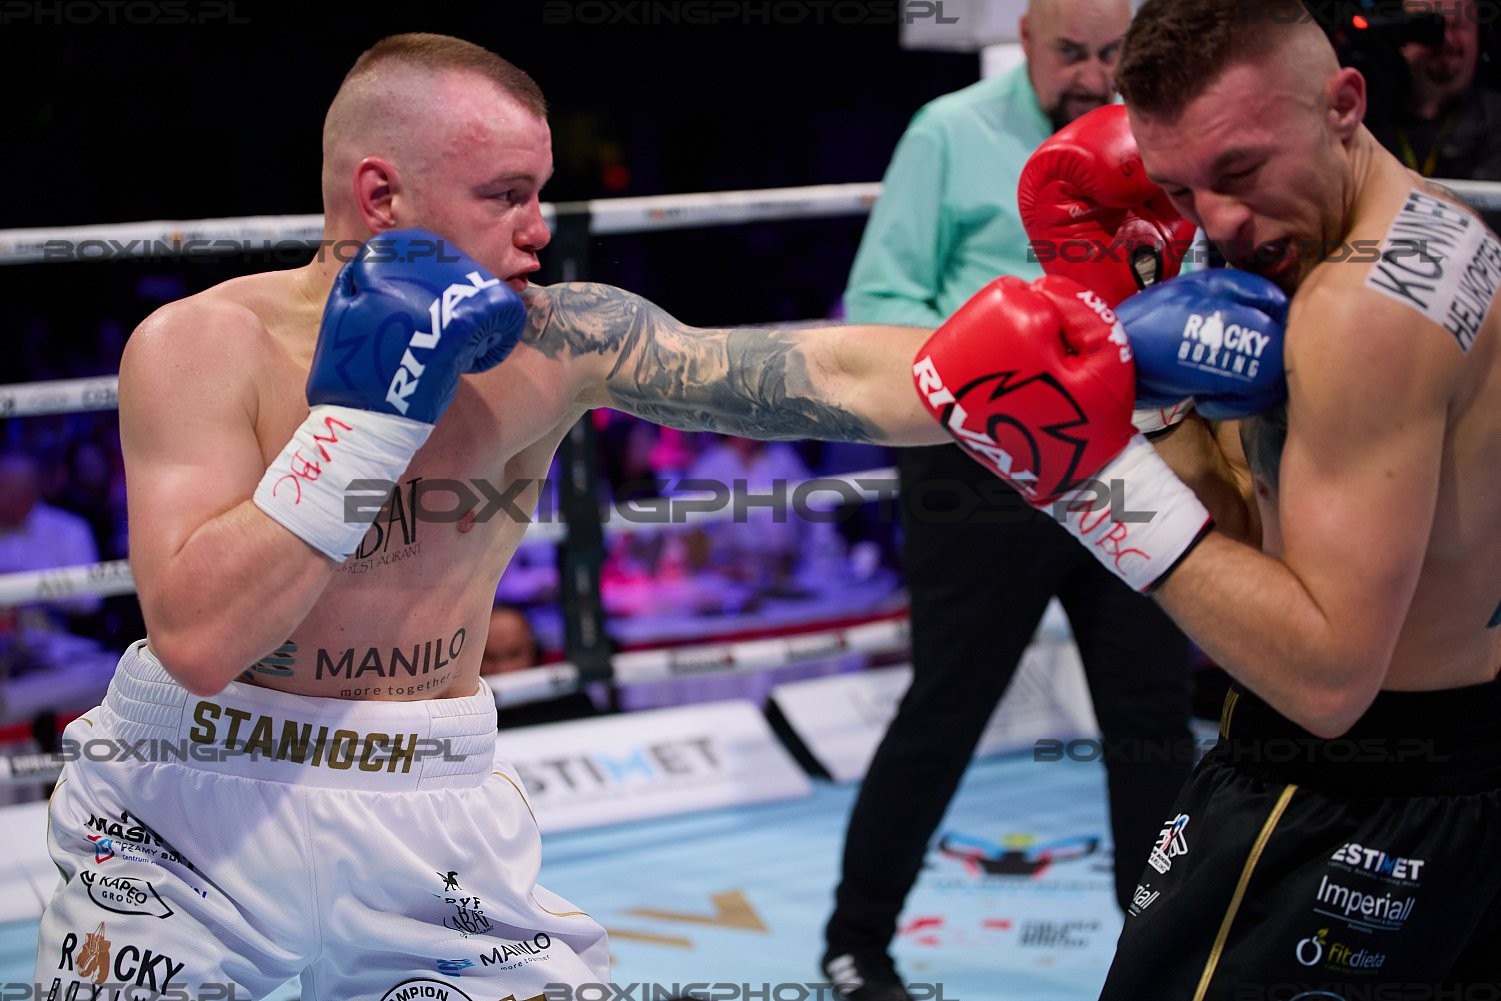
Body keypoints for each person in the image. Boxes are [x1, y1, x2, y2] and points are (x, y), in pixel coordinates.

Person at [33, 33, 948, 1001]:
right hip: (187, 802)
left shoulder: (560, 338)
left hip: (425, 797)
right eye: (504, 194)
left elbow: (830, 372)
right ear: (381, 197)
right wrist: (364, 417)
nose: (539, 229)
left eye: (539, 192)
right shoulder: (205, 344)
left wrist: (1063, 355)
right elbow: (200, 638)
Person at [913, 0, 1501, 994]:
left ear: (1344, 102)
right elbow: (1250, 522)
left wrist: (1088, 472)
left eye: (1238, 171)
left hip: (1335, 787)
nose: (1217, 220)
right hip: (1459, 772)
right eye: (1182, 185)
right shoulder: (1441, 229)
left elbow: (1323, 680)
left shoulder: (1352, 312)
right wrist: (1143, 382)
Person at [822, 3, 1197, 998]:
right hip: (981, 462)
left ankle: (1155, 950)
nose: (1090, 74)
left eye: (1111, 52)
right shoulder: (949, 130)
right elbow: (883, 298)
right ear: (1026, 40)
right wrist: (986, 377)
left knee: (1152, 710)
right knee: (949, 698)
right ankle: (854, 938)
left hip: (1131, 451)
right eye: (1069, 52)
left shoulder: (1162, 133)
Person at [1365, 0, 1501, 232]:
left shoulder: (1495, 119)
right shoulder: (1361, 117)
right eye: (1431, 24)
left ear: (1480, 36)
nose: (1447, 38)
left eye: (1459, 26)